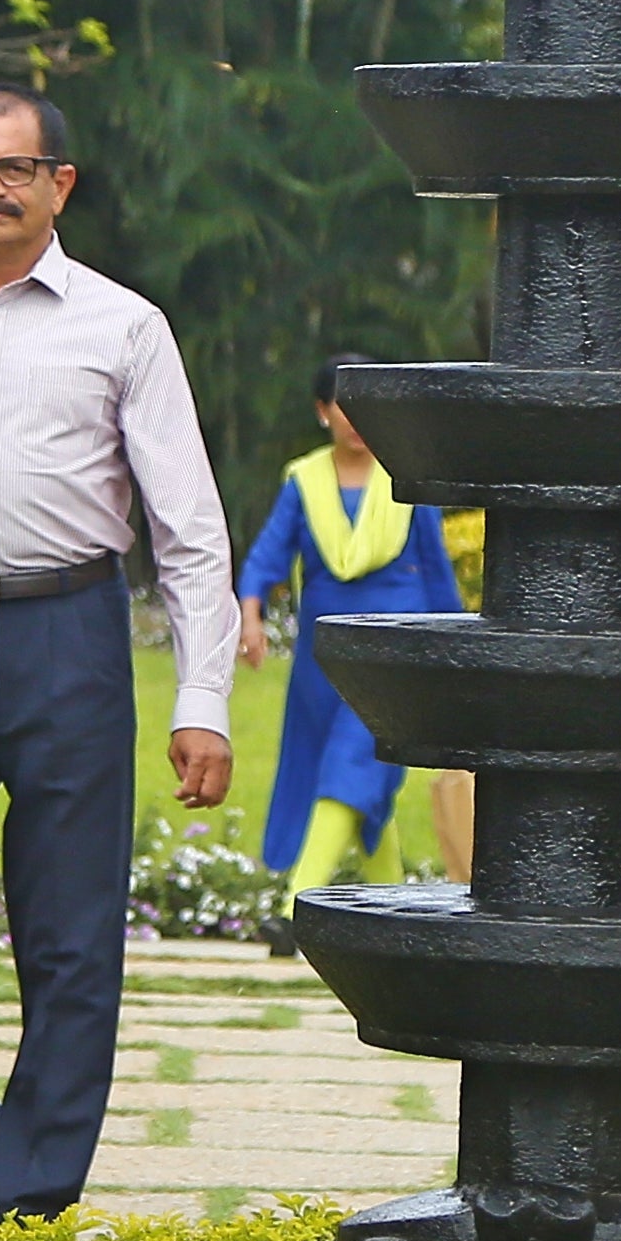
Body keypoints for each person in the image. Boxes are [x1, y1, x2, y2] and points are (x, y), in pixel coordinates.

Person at [0, 88, 234, 1219]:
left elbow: (188, 529)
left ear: (58, 184)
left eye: (15, 168)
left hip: (70, 639)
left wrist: (205, 699)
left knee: (71, 939)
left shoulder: (123, 325)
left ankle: (32, 1195)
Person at [237, 355, 464, 905]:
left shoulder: (409, 479)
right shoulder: (305, 480)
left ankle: (298, 901)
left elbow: (436, 571)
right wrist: (250, 616)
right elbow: (268, 556)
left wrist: (456, 659)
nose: (356, 420)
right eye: (344, 406)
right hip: (325, 655)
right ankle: (388, 896)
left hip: (394, 653)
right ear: (322, 412)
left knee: (354, 759)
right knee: (348, 770)